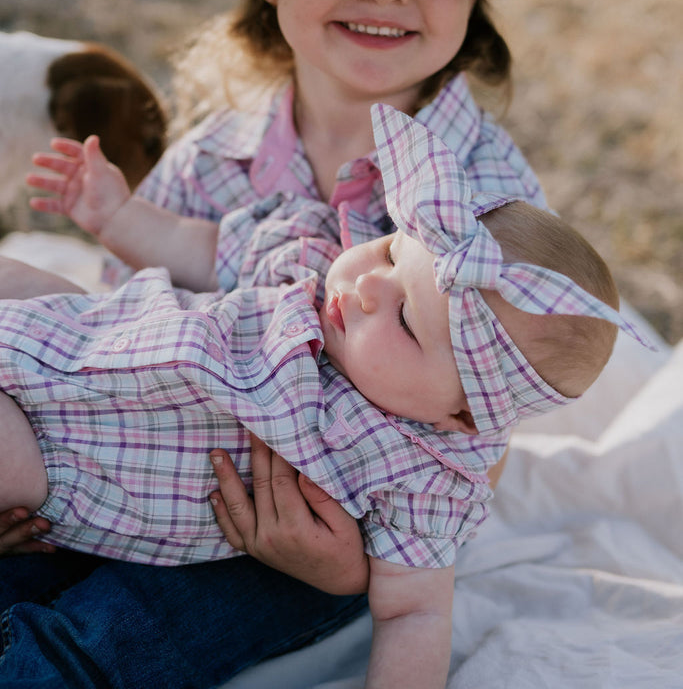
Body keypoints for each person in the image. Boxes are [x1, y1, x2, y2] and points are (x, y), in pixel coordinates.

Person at [0, 0, 659, 689]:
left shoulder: (483, 204)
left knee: (143, 625)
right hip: (125, 453)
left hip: (309, 519)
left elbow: (463, 447)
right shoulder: (215, 158)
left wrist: (340, 561)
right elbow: (111, 314)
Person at [1, 105, 655, 689]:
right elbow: (201, 250)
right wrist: (117, 214)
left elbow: (415, 612)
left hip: (76, 456)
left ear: (459, 414)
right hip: (89, 333)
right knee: (17, 279)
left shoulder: (421, 474)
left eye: (403, 321)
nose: (369, 285)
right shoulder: (314, 263)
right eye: (392, 250)